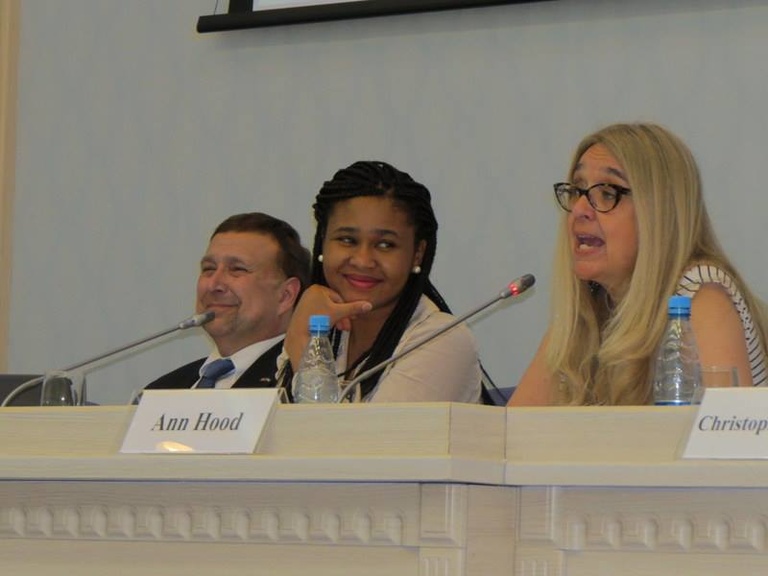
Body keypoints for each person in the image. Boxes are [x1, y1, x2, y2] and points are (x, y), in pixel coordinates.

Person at [510, 122, 768, 406]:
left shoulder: (699, 296)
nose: (580, 210)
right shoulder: (590, 308)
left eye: (607, 193)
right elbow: (508, 436)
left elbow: (725, 443)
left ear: (659, 212)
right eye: (577, 190)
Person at [277, 160, 481, 403]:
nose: (363, 260)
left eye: (385, 245)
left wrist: (302, 342)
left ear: (417, 253)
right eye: (347, 240)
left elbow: (363, 440)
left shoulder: (443, 340)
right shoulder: (324, 328)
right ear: (323, 242)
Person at [145, 212, 311, 391]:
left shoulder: (304, 383)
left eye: (237, 269)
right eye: (209, 269)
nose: (214, 285)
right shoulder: (161, 391)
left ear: (285, 295)